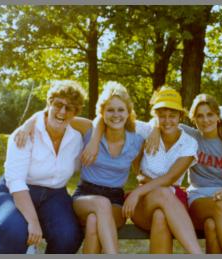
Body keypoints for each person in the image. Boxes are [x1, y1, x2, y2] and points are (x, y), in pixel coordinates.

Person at [13, 81, 144, 254]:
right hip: (85, 195)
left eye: (121, 109)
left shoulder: (137, 140)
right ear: (102, 113)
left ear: (128, 112)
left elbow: (140, 173)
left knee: (93, 221)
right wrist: (28, 124)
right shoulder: (88, 129)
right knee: (100, 204)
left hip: (115, 200)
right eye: (110, 110)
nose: (116, 115)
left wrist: (139, 192)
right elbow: (55, 114)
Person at [89, 86, 203, 254]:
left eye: (172, 116)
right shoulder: (145, 130)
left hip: (171, 200)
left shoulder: (189, 143)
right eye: (161, 116)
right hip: (143, 205)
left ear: (181, 116)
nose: (167, 121)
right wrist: (93, 143)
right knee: (163, 193)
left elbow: (170, 179)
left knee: (160, 215)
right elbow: (101, 119)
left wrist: (138, 191)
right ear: (155, 116)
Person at [0, 80, 86, 254]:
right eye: (58, 104)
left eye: (69, 108)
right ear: (49, 103)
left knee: (69, 236)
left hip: (54, 196)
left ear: (75, 113)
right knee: (14, 229)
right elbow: (16, 182)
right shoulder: (24, 134)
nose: (62, 111)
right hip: (12, 192)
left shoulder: (76, 139)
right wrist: (33, 222)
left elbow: (99, 123)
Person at [145, 93, 222, 253]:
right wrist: (156, 130)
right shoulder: (191, 136)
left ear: (218, 116)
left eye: (210, 115)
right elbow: (161, 121)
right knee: (218, 208)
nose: (205, 120)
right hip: (198, 197)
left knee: (211, 225)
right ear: (194, 119)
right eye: (200, 116)